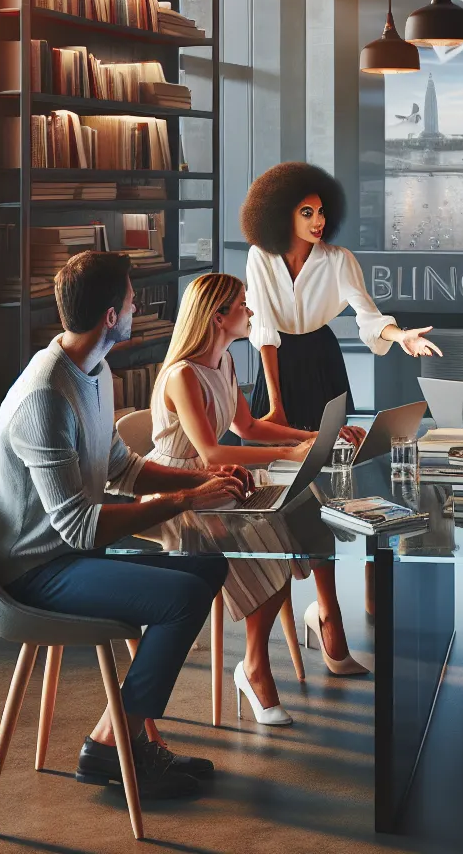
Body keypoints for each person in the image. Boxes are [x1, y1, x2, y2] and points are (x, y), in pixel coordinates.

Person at [0, 250, 251, 800]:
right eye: (132, 298)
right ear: (112, 316)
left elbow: (123, 469)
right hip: (37, 571)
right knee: (181, 597)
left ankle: (121, 738)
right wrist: (187, 501)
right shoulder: (46, 396)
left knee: (207, 567)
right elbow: (81, 528)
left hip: (68, 554)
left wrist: (202, 478)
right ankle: (113, 746)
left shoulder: (94, 370)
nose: (139, 304)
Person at [145, 273, 368, 728]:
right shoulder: (183, 375)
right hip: (180, 488)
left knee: (303, 505)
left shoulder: (224, 361)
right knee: (267, 538)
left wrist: (313, 436)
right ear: (218, 316)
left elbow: (248, 428)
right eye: (243, 306)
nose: (251, 312)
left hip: (219, 478)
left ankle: (301, 628)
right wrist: (287, 453)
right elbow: (208, 452)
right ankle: (254, 665)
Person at [243, 160, 441, 432]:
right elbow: (264, 328)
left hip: (321, 358)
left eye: (321, 211)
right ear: (282, 214)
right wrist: (276, 405)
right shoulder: (260, 256)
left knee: (330, 447)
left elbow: (369, 318)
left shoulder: (339, 260)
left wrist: (401, 336)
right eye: (307, 213)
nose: (319, 221)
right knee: (276, 450)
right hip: (276, 361)